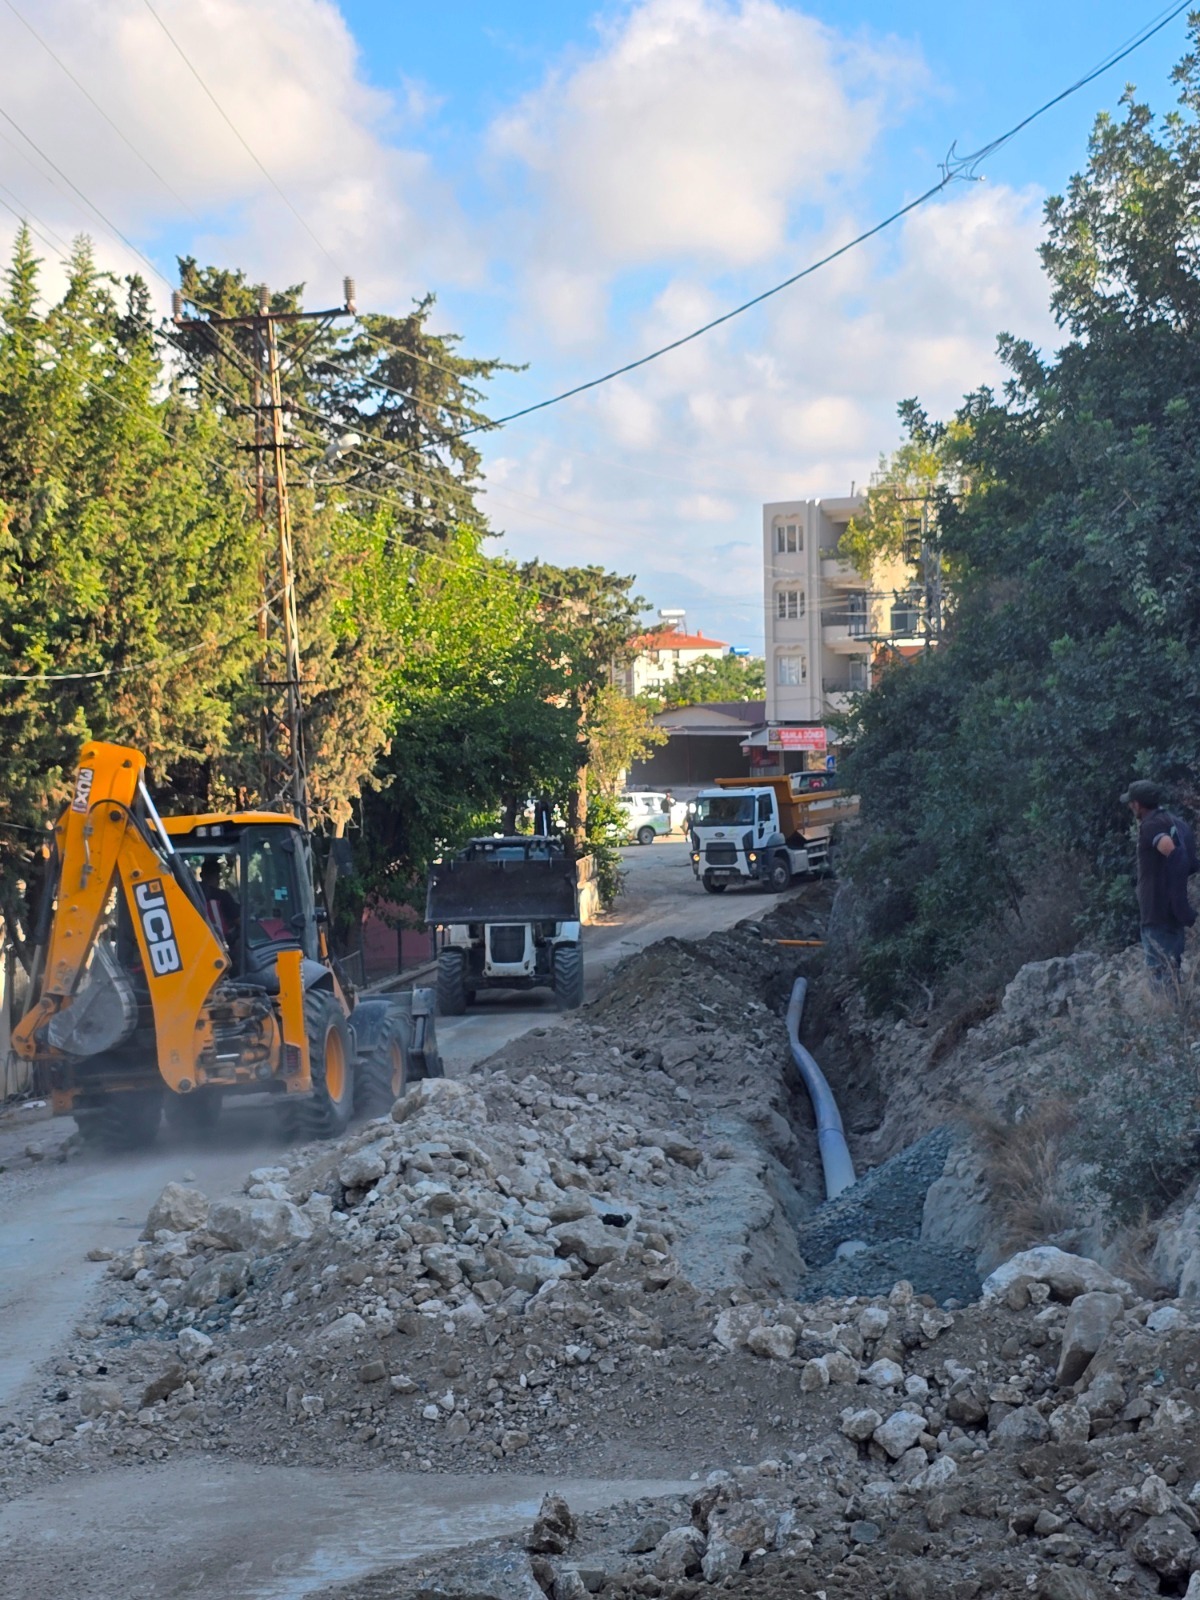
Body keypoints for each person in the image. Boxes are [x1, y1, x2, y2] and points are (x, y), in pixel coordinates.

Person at [1121, 780, 1196, 982]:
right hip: (1170, 912)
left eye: (1131, 803)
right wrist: (1179, 904)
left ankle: (1167, 1011)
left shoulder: (1151, 825)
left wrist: (1178, 901)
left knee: (1160, 974)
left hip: (1157, 912)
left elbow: (1175, 854)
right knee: (1172, 970)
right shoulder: (1171, 821)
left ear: (1137, 804)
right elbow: (1191, 862)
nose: (1130, 806)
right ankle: (1176, 1011)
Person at [199, 856, 241, 948]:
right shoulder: (222, 896)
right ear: (218, 876)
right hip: (223, 943)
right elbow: (239, 921)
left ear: (201, 875)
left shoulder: (190, 895)